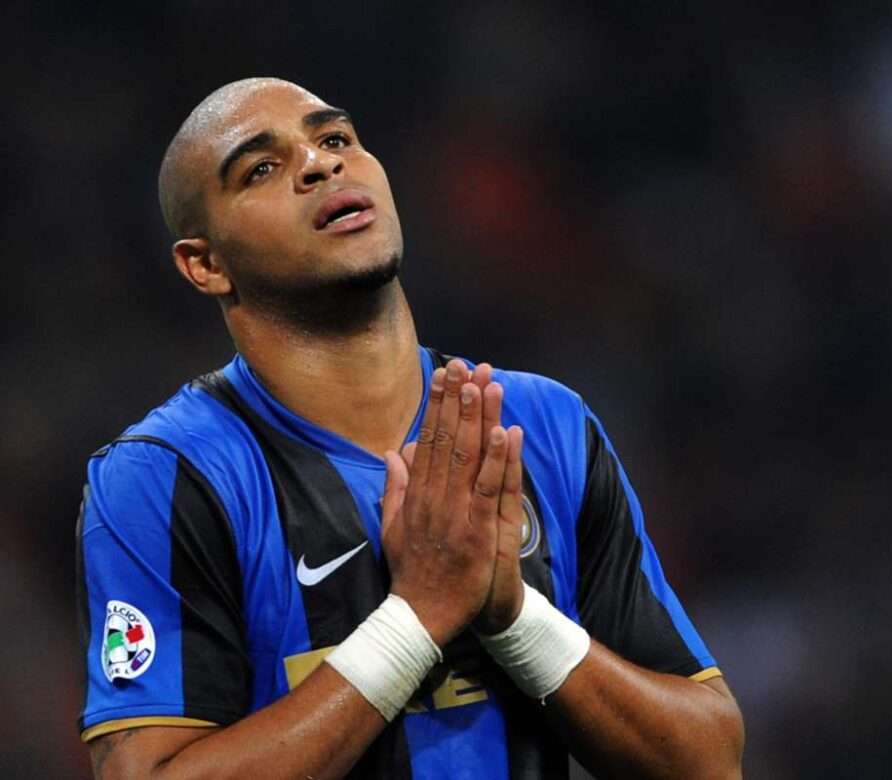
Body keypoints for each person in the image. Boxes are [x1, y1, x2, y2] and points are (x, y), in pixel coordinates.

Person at [75, 77, 744, 779]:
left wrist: (516, 618)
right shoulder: (164, 477)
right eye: (262, 168)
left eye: (335, 138)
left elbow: (708, 760)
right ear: (205, 264)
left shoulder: (544, 426)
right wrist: (415, 619)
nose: (321, 163)